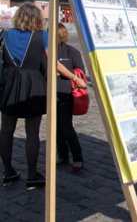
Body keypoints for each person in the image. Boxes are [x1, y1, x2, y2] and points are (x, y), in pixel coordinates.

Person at [0, 2, 86, 190]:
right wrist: (74, 78)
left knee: (6, 131)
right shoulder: (42, 36)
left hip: (9, 86)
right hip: (33, 87)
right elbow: (54, 64)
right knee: (32, 132)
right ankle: (32, 175)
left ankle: (8, 172)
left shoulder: (5, 35)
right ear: (37, 19)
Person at [56, 23, 86, 172]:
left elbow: (80, 72)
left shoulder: (72, 51)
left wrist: (64, 74)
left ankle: (78, 158)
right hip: (51, 95)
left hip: (66, 94)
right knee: (56, 128)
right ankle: (62, 155)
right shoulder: (47, 51)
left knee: (66, 126)